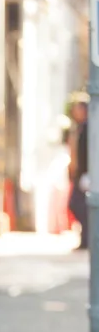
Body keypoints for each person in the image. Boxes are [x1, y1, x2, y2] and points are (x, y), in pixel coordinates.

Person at [68, 96, 89, 249]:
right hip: (79, 173)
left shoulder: (88, 128)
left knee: (79, 204)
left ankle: (87, 237)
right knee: (77, 205)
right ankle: (85, 237)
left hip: (85, 174)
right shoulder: (79, 127)